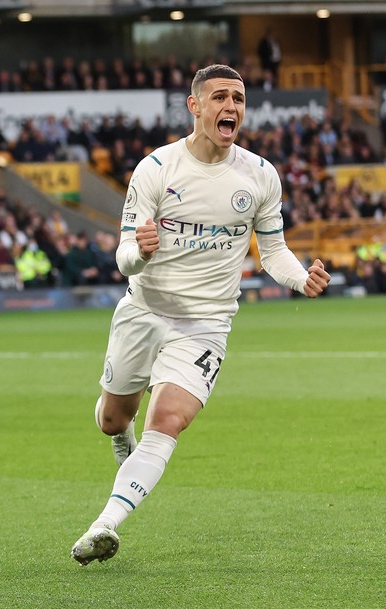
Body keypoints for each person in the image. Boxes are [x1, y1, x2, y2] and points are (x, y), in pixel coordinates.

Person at [70, 64, 330, 566]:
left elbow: (273, 252)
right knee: (111, 419)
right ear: (195, 106)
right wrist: (141, 253)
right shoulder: (156, 169)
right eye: (219, 98)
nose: (230, 107)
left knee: (167, 419)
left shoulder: (259, 175)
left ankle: (105, 524)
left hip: (206, 324)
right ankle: (120, 436)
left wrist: (301, 278)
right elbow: (125, 256)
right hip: (144, 313)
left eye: (238, 98)